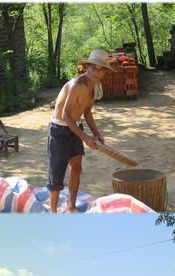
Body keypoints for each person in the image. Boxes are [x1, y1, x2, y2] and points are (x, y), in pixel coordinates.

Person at [47, 48, 116, 213]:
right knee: (57, 173)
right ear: (86, 67)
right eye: (93, 67)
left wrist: (96, 134)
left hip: (75, 128)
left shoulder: (94, 88)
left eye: (100, 69)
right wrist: (86, 138)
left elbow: (86, 112)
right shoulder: (76, 84)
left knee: (77, 168)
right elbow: (65, 115)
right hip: (60, 130)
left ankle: (71, 206)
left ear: (105, 73)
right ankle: (53, 212)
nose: (95, 72)